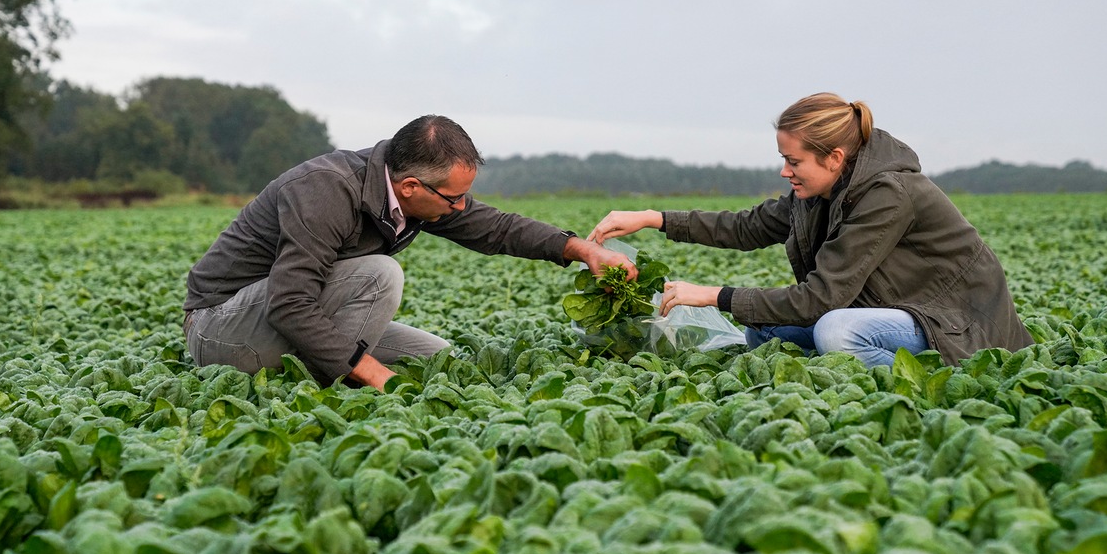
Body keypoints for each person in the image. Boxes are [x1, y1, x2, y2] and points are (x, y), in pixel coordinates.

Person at [184, 114, 635, 389]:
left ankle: (330, 365)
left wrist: (580, 249)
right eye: (454, 199)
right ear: (411, 186)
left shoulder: (418, 196)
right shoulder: (324, 191)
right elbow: (289, 301)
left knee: (440, 358)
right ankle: (331, 379)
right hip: (222, 330)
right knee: (380, 274)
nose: (461, 208)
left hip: (279, 317)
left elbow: (496, 228)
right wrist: (371, 372)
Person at [588, 92, 1033, 368]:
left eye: (794, 161)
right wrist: (652, 218)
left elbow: (822, 298)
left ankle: (935, 378)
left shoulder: (888, 194)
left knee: (836, 332)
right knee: (765, 330)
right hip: (898, 309)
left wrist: (713, 294)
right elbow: (747, 227)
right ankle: (842, 372)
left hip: (957, 324)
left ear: (834, 158)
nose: (785, 171)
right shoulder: (815, 195)